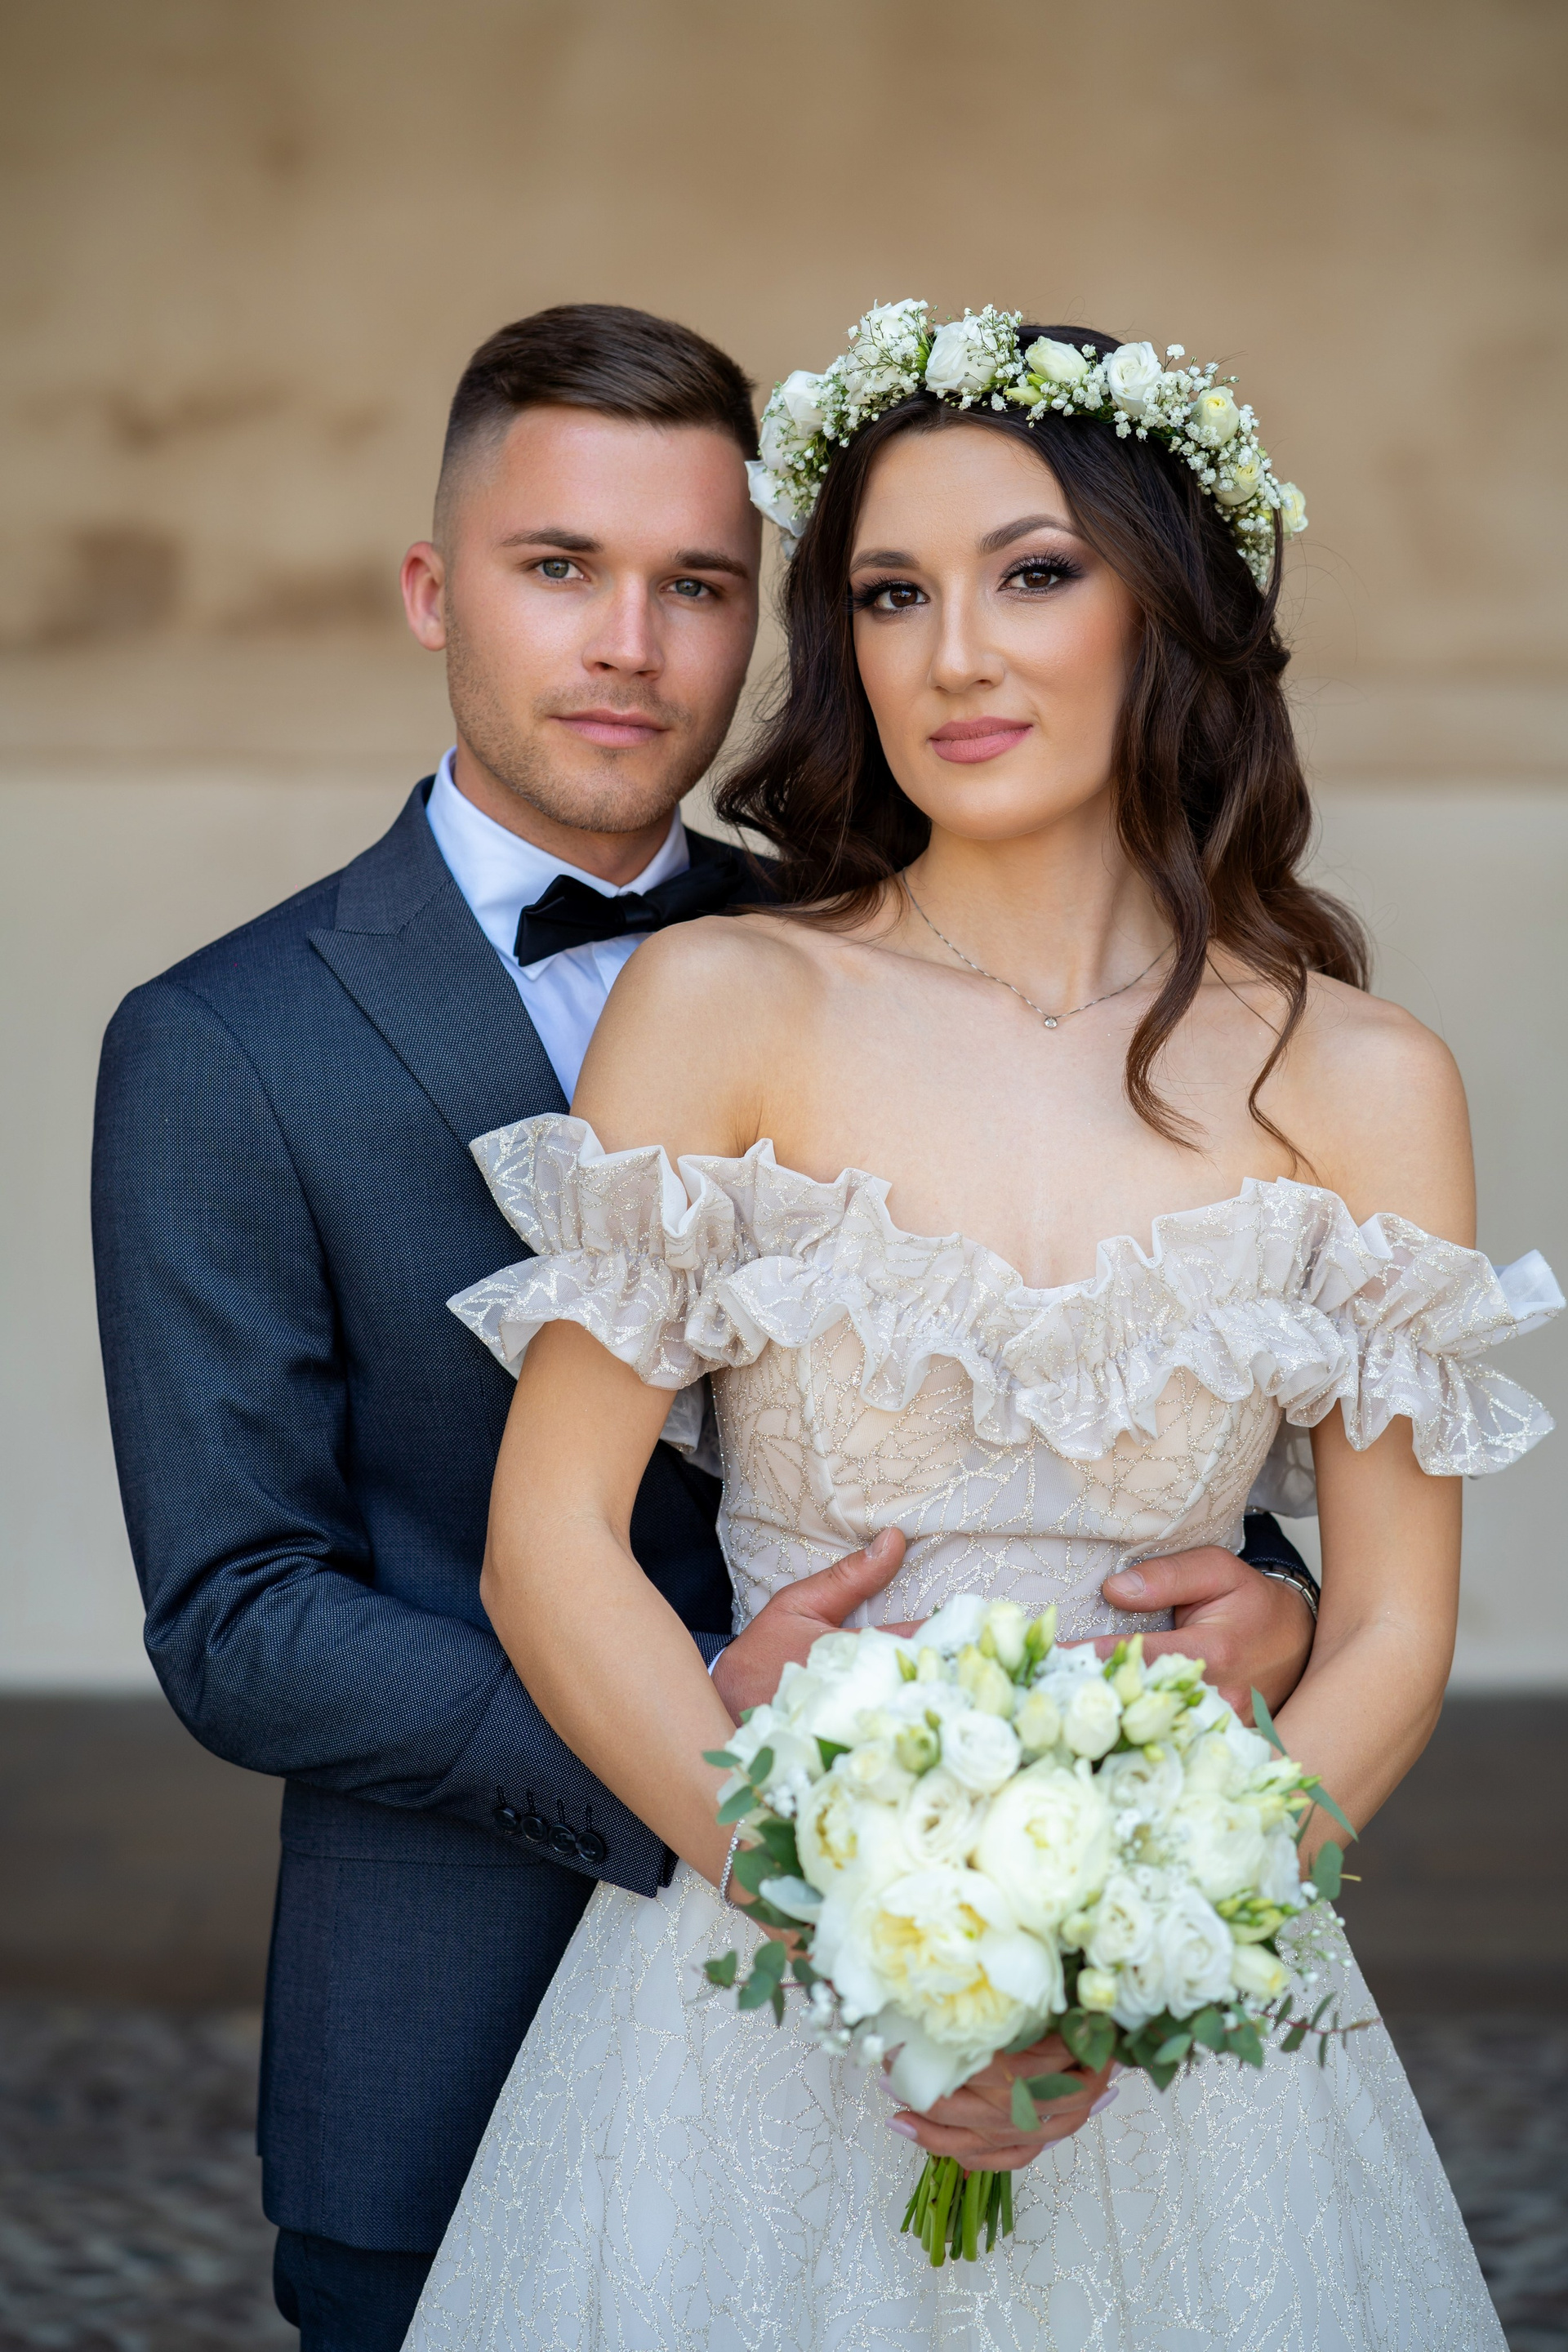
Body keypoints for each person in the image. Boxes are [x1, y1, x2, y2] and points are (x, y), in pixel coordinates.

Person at [89, 304, 1316, 2352]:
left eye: (700, 585)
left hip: (999, 1984)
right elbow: (239, 1612)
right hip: (455, 2022)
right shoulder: (225, 1042)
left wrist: (1268, 1603)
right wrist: (745, 1769)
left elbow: (1074, 1364)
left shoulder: (869, 949)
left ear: (771, 622)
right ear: (434, 590)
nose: (630, 644)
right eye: (560, 567)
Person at [404, 306, 1559, 2349]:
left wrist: (1119, 1987)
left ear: (1167, 607)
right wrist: (857, 1937)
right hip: (751, 1992)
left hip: (1182, 2027)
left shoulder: (1367, 1079)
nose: (953, 656)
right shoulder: (728, 1004)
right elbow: (549, 1543)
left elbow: (1390, 1631)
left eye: (1032, 576)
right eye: (889, 594)